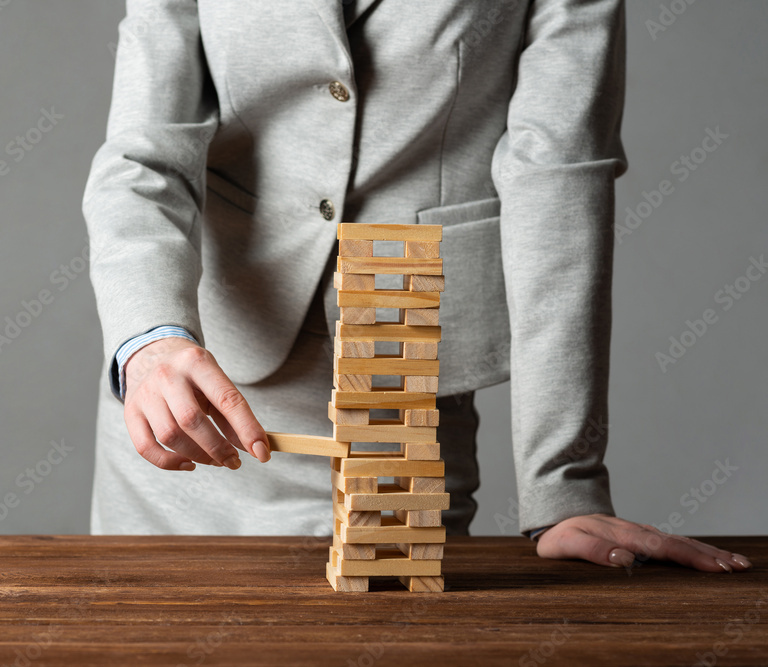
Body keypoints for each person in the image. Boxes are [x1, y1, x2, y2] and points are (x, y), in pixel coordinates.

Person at [81, 0, 752, 573]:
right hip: (187, 409)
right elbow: (144, 154)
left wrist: (563, 485)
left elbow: (559, 176)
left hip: (399, 419)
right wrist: (150, 343)